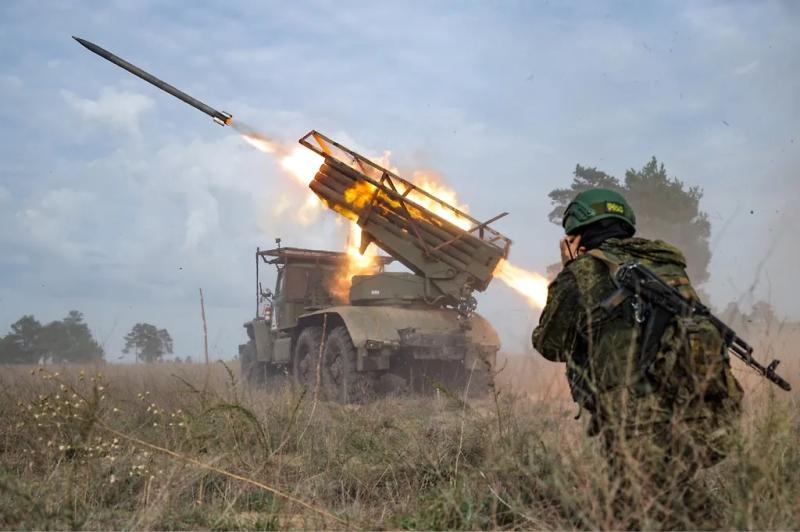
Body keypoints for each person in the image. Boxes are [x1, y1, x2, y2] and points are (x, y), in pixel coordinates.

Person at [532, 188, 743, 526]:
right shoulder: (669, 266)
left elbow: (549, 344)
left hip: (634, 421)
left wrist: (568, 271)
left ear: (578, 234)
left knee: (635, 511)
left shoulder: (582, 271)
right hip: (692, 408)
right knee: (674, 496)